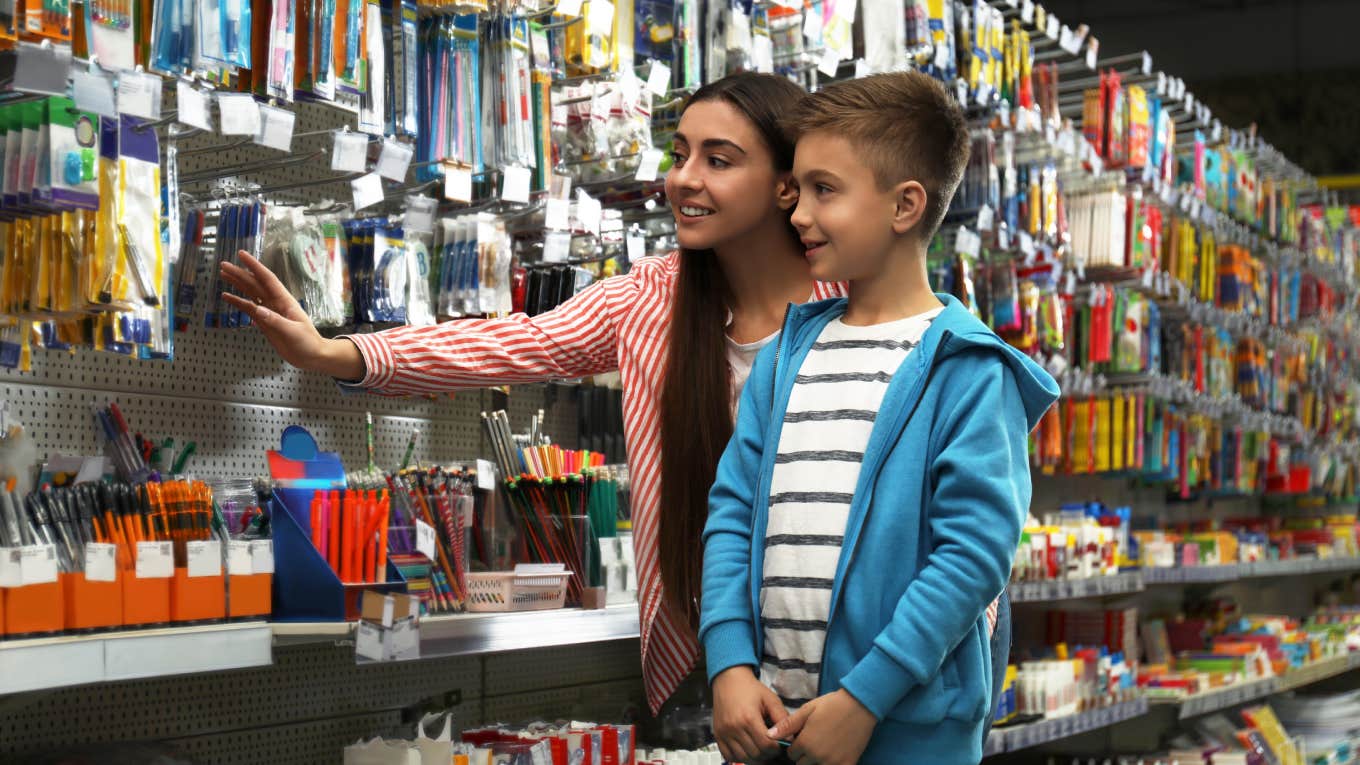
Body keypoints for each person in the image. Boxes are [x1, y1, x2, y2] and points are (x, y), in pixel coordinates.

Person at [216, 72, 846, 715]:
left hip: (851, 647)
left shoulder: (854, 308)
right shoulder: (652, 301)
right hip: (722, 660)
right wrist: (335, 353)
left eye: (720, 160)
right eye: (679, 154)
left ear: (785, 184)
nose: (684, 179)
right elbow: (507, 344)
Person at [700, 71, 1059, 765]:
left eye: (824, 190)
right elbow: (732, 512)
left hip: (908, 739)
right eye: (798, 189)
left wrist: (866, 697)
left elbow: (973, 556)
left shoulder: (970, 370)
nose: (798, 213)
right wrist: (729, 665)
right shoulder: (785, 356)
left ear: (905, 206)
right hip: (772, 733)